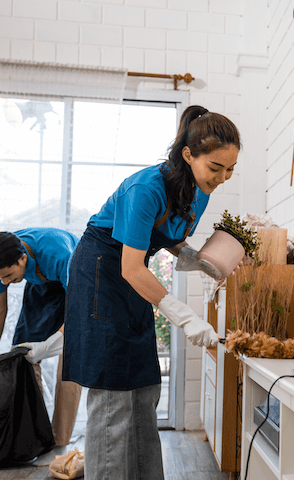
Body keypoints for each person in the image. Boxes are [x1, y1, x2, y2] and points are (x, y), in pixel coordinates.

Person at [62, 105, 240, 480]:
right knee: (113, 389)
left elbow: (168, 239)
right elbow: (130, 266)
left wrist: (198, 258)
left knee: (143, 387)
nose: (222, 178)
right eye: (215, 168)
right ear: (189, 155)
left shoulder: (200, 190)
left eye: (230, 170)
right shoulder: (145, 189)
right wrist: (184, 315)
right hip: (102, 275)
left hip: (133, 279)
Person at [0, 228, 83, 447]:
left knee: (71, 358)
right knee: (22, 356)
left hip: (76, 283)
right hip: (41, 283)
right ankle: (35, 434)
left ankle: (59, 440)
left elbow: (79, 308)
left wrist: (52, 344)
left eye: (7, 276)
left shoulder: (59, 254)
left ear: (23, 258)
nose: (3, 283)